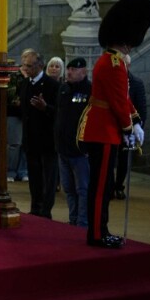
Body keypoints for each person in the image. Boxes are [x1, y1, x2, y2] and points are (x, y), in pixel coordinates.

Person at [79, 0, 150, 249]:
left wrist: (136, 122)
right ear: (126, 40)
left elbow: (123, 99)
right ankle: (98, 234)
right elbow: (118, 102)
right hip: (104, 131)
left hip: (105, 129)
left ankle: (101, 230)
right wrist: (129, 127)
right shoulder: (112, 63)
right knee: (101, 187)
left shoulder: (114, 62)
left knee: (105, 185)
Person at [16, 49, 58, 219]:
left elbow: (59, 112)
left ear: (40, 65)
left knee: (48, 177)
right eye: (24, 65)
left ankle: (46, 211)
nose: (25, 68)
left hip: (47, 139)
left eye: (29, 65)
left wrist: (45, 107)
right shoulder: (25, 83)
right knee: (34, 176)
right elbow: (23, 110)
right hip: (30, 138)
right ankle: (35, 208)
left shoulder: (53, 85)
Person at [55, 57, 91, 227]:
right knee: (68, 188)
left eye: (73, 70)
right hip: (63, 148)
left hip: (80, 150)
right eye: (68, 69)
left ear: (83, 71)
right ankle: (73, 218)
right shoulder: (64, 89)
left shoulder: (90, 91)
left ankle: (83, 222)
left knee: (82, 189)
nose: (68, 72)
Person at [113, 69, 148, 200]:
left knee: (124, 160)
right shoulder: (111, 81)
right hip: (112, 128)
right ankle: (110, 186)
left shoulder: (137, 83)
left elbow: (142, 109)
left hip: (130, 129)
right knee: (109, 159)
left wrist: (138, 128)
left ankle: (118, 186)